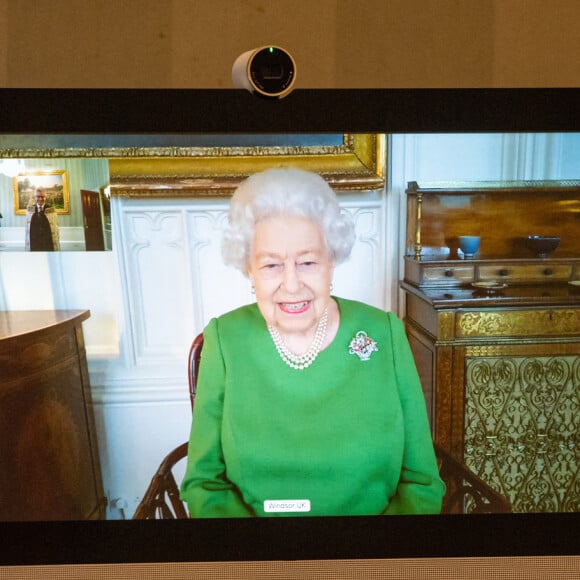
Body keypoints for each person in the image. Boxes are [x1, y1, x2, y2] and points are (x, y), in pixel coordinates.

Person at [180, 167, 445, 517]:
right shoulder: (225, 340)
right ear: (249, 270)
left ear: (331, 260)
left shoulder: (385, 333)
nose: (291, 285)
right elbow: (204, 484)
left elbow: (421, 483)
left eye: (307, 262)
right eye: (272, 265)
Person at [25, 187, 60, 251]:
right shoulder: (30, 209)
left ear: (45, 197)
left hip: (47, 243)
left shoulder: (51, 209)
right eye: (38, 197)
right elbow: (28, 229)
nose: (40, 199)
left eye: (42, 196)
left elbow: (55, 229)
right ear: (35, 197)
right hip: (34, 243)